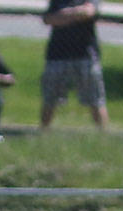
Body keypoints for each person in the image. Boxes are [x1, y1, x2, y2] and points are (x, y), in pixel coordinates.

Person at [40, 0, 107, 129]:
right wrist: (76, 14)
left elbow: (89, 12)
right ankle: (43, 133)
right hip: (57, 55)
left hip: (85, 56)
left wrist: (64, 15)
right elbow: (48, 19)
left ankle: (103, 136)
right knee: (50, 99)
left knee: (95, 100)